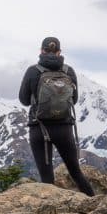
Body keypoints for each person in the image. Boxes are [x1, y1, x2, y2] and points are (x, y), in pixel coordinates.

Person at [19, 37, 95, 195]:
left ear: (41, 51)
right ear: (59, 52)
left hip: (39, 129)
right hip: (64, 128)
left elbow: (24, 100)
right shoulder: (68, 71)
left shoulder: (33, 71)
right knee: (76, 172)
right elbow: (73, 100)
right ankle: (96, 205)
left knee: (47, 178)